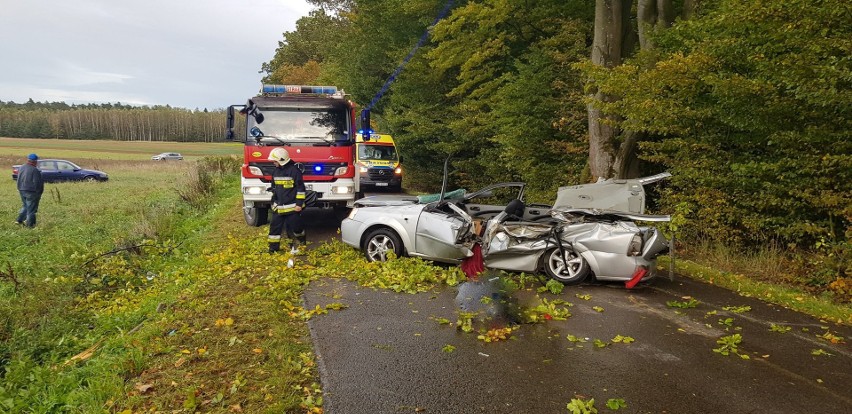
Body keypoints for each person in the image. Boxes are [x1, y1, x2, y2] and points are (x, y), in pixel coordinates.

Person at [266, 148, 307, 265]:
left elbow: (300, 189)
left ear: (281, 160)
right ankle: (273, 249)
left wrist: (299, 204)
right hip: (278, 207)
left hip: (293, 207)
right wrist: (273, 202)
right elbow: (274, 188)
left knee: (296, 227)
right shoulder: (275, 172)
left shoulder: (295, 171)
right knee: (274, 228)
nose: (273, 163)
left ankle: (301, 243)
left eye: (275, 161)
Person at [15, 153, 44, 228]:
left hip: (21, 190)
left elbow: (18, 178)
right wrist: (39, 193)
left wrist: (19, 188)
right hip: (31, 192)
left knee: (25, 206)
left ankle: (19, 220)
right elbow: (37, 183)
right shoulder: (35, 170)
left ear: (28, 160)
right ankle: (30, 225)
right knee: (31, 210)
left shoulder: (21, 167)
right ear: (35, 161)